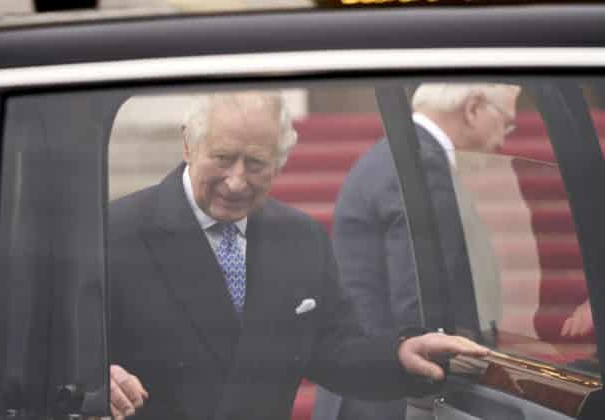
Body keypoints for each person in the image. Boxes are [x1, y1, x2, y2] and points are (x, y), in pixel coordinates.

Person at [107, 91, 489, 420]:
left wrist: (402, 353)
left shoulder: (300, 237)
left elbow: (336, 350)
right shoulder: (117, 231)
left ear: (280, 161)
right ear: (189, 144)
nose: (237, 181)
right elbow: (68, 351)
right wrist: (100, 376)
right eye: (223, 158)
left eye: (256, 163)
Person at [312, 83, 521, 420]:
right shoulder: (420, 165)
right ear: (474, 108)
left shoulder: (398, 156)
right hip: (392, 402)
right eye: (506, 123)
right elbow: (420, 303)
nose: (504, 139)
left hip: (369, 395)